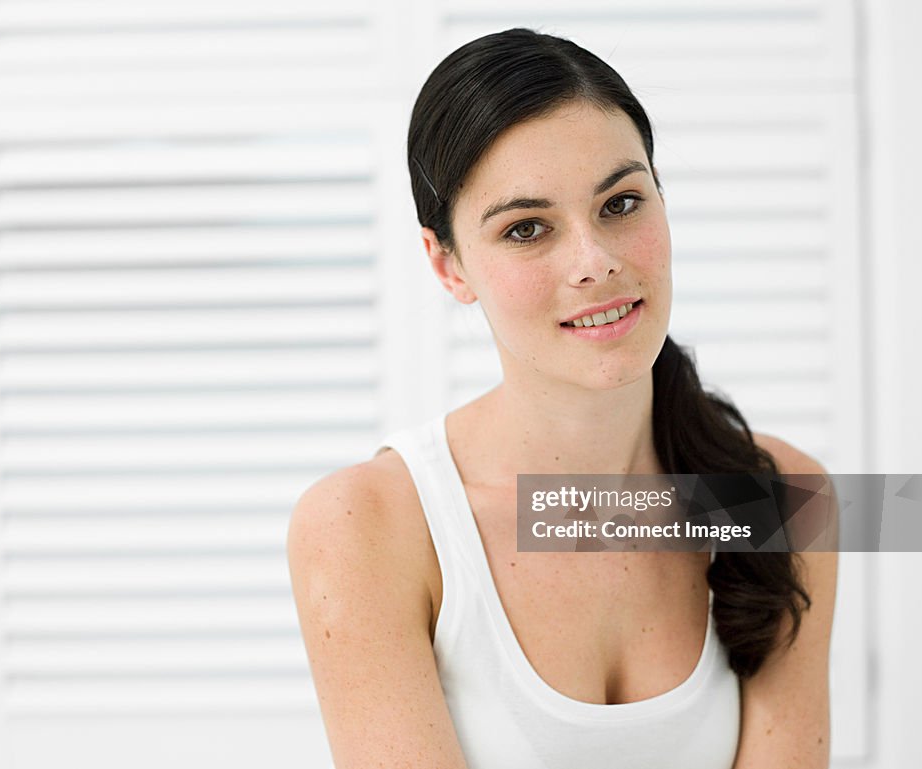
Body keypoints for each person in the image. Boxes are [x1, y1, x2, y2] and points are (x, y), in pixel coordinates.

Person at [287, 27, 837, 769]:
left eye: (620, 203)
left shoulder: (786, 496)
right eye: (527, 228)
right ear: (447, 265)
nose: (595, 262)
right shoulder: (368, 525)